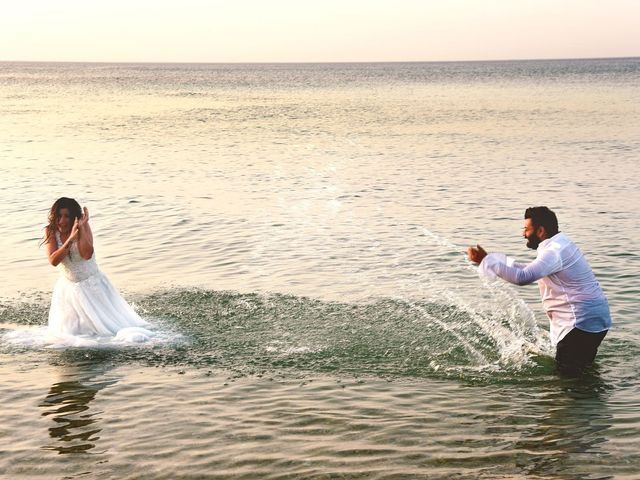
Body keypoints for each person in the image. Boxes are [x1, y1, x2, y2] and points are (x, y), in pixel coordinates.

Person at [467, 206, 611, 376]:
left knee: (566, 383)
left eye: (526, 229)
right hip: (594, 320)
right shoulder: (560, 244)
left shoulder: (554, 251)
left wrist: (490, 263)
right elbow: (529, 269)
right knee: (583, 373)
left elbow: (523, 277)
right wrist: (489, 260)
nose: (523, 234)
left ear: (541, 230)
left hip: (579, 323)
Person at [43, 197, 152, 343]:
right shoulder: (50, 231)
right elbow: (53, 260)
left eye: (67, 216)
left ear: (74, 217)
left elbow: (87, 254)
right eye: (59, 216)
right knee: (71, 335)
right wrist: (70, 240)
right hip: (68, 289)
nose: (62, 221)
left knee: (107, 331)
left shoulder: (83, 227)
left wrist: (80, 229)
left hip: (92, 285)